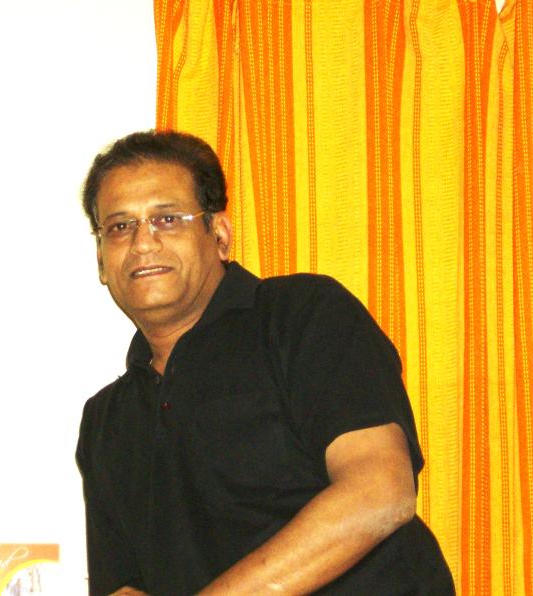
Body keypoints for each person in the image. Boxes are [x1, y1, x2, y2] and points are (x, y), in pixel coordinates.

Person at [75, 130, 454, 595]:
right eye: (119, 227)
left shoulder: (302, 315)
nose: (142, 243)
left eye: (167, 219)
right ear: (101, 259)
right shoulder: (105, 421)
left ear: (219, 235)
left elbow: (379, 493)